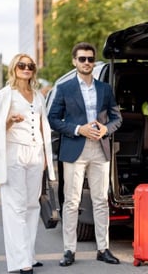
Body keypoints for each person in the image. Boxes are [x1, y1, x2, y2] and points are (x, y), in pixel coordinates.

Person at [48, 42, 122, 266]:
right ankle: (69, 250)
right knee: (71, 202)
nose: (87, 63)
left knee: (101, 201)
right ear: (74, 61)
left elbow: (117, 118)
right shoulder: (64, 88)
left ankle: (103, 249)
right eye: (82, 59)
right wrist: (78, 129)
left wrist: (105, 129)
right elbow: (53, 118)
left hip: (100, 150)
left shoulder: (105, 89)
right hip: (74, 149)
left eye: (90, 59)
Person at [0, 53, 55, 274]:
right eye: (22, 65)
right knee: (15, 208)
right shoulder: (3, 96)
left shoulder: (39, 96)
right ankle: (21, 261)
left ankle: (29, 254)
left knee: (32, 206)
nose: (26, 68)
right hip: (13, 153)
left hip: (35, 155)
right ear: (14, 68)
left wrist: (43, 156)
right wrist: (8, 121)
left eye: (30, 65)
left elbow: (43, 127)